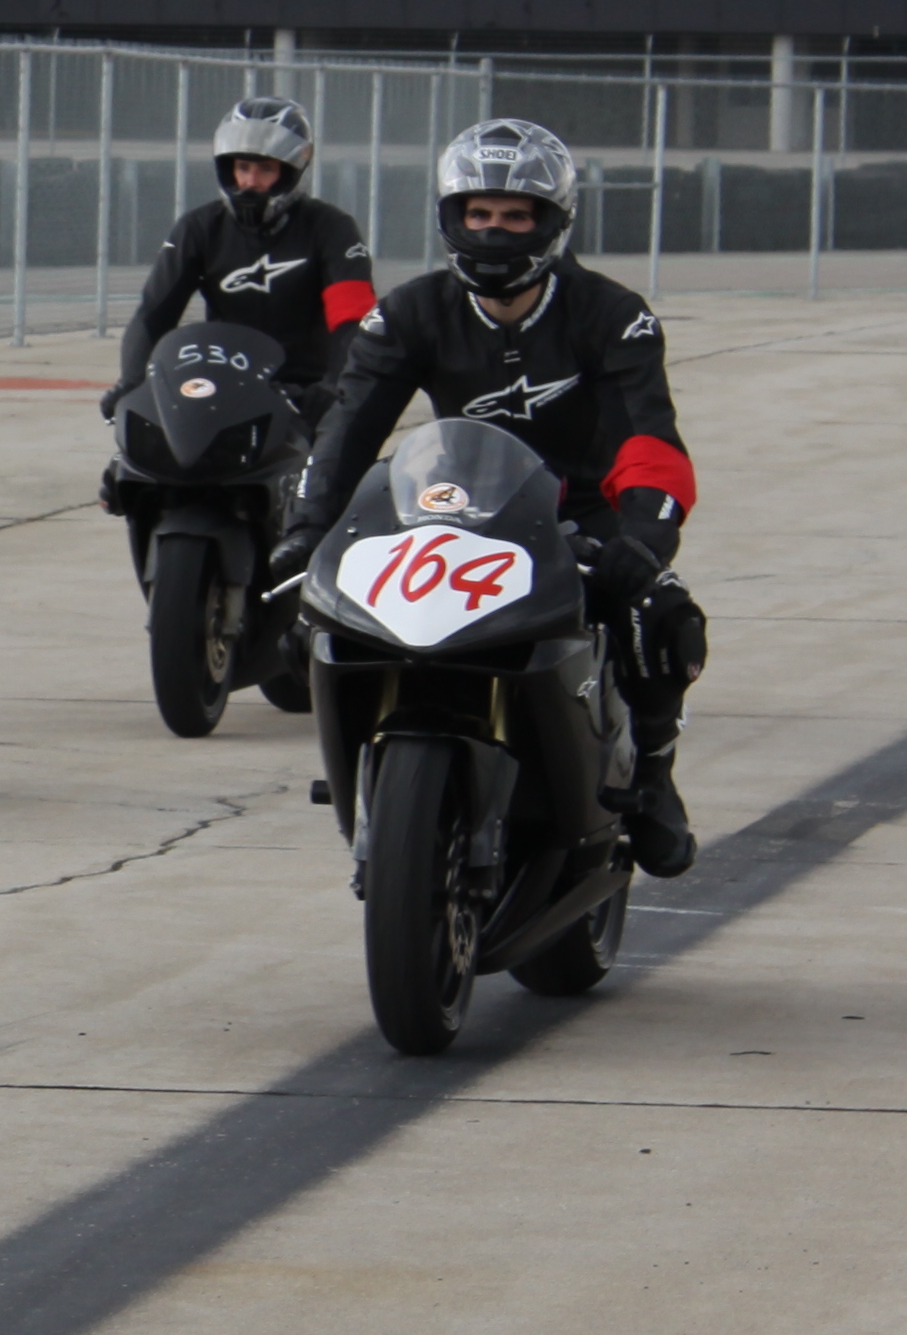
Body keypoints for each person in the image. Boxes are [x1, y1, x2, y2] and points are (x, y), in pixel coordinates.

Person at [276, 120, 706, 877]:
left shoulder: (614, 314)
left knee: (662, 618)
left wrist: (644, 541)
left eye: (515, 215)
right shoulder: (408, 313)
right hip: (453, 510)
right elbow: (346, 432)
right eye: (478, 213)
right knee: (322, 620)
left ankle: (652, 774)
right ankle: (376, 785)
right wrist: (307, 529)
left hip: (581, 518)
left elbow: (651, 441)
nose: (494, 231)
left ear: (553, 222)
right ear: (452, 218)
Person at [104, 91, 380, 422]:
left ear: (291, 170)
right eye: (243, 167)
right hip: (222, 385)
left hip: (304, 391)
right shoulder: (199, 227)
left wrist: (335, 386)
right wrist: (131, 381)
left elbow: (352, 317)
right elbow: (155, 312)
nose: (250, 181)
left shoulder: (331, 227)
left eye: (265, 169)